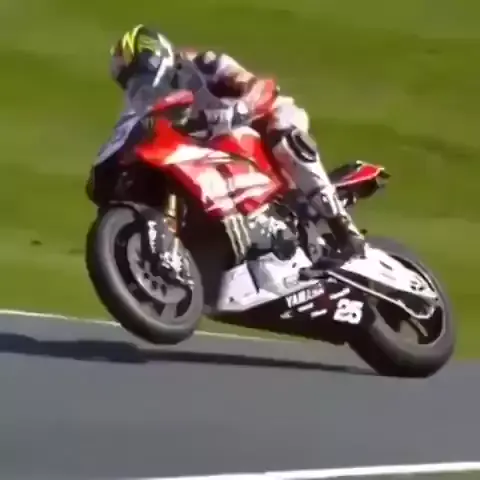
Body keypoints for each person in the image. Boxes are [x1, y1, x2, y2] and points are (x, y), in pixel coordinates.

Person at [103, 24, 366, 266]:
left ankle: (345, 232)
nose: (139, 87)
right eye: (131, 84)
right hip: (211, 150)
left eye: (139, 77)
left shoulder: (203, 64)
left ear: (156, 59)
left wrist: (238, 110)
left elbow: (258, 87)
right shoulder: (147, 107)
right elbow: (129, 133)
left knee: (283, 135)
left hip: (255, 123)